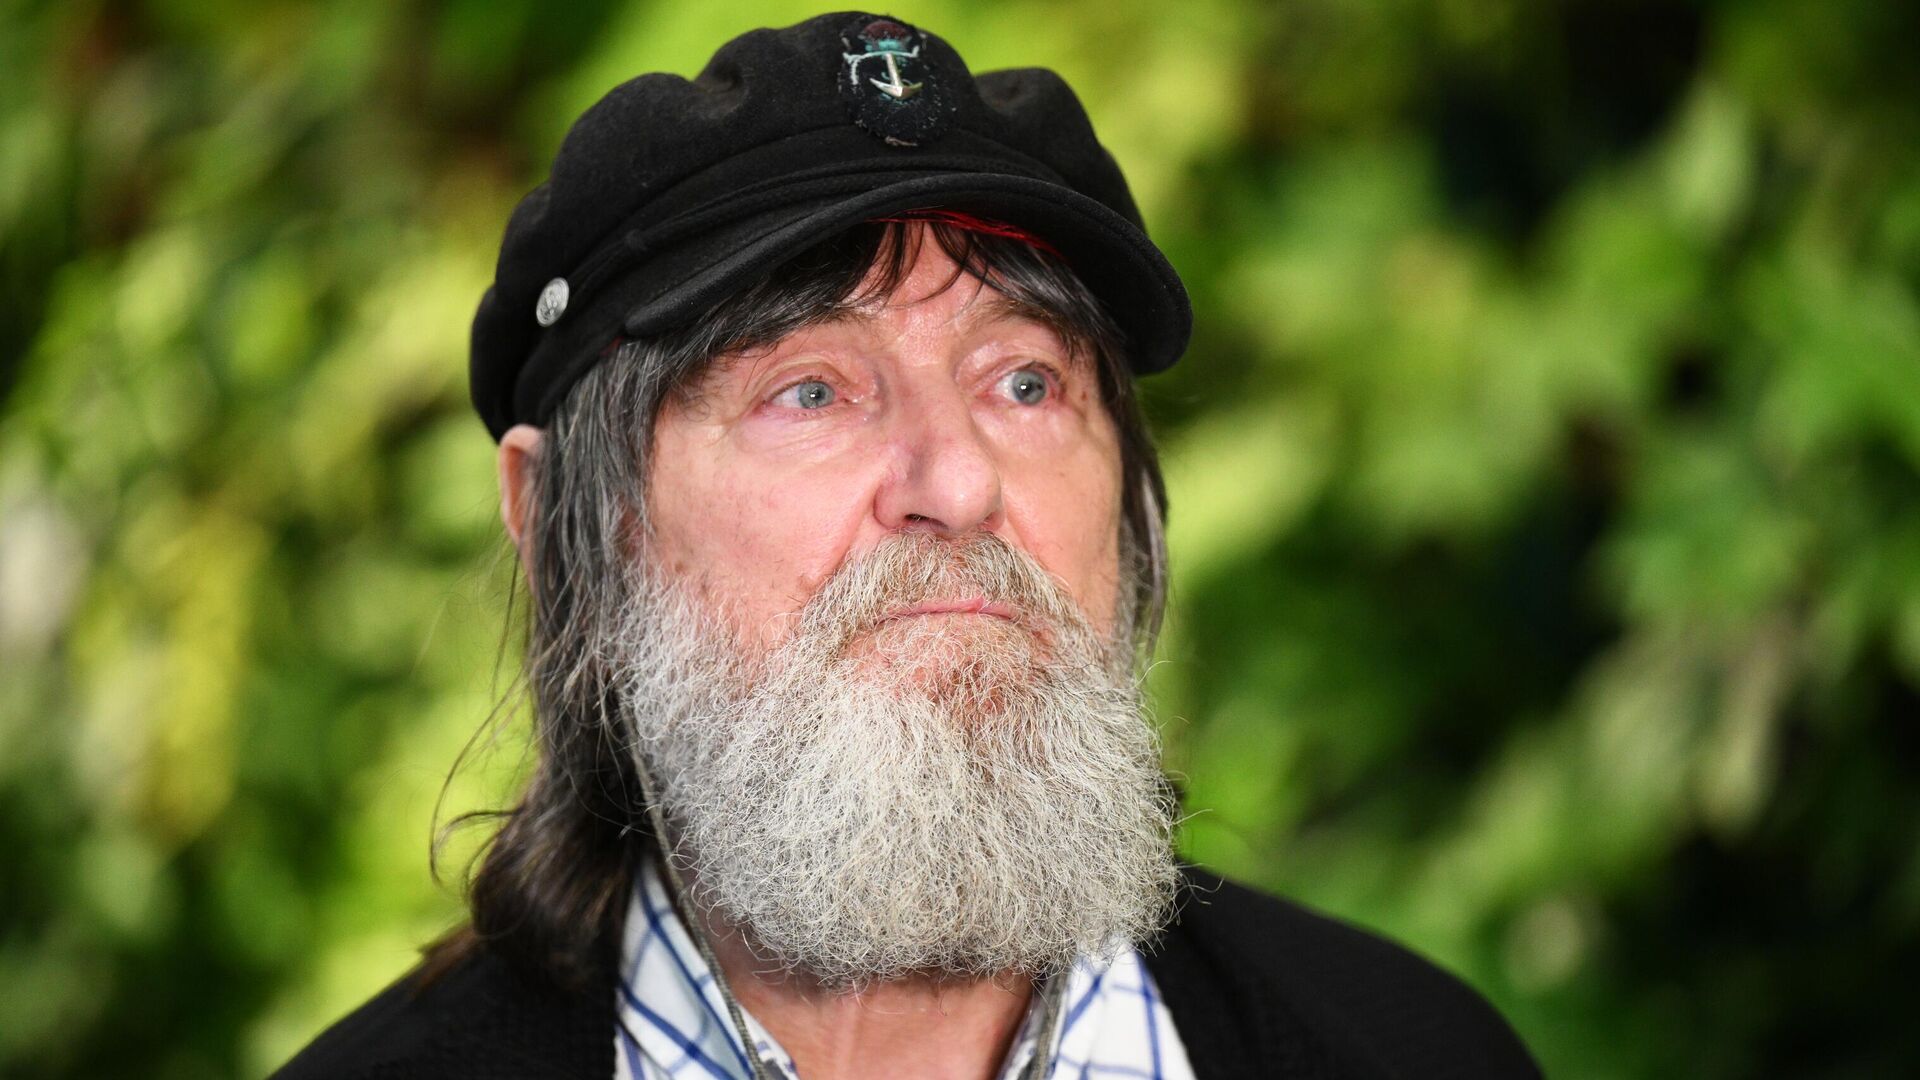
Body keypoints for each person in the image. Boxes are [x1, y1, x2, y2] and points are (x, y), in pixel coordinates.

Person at [276, 12, 1539, 1080]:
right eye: (810, 390)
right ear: (565, 526)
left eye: (1026, 383)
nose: (960, 481)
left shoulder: (1417, 1054)